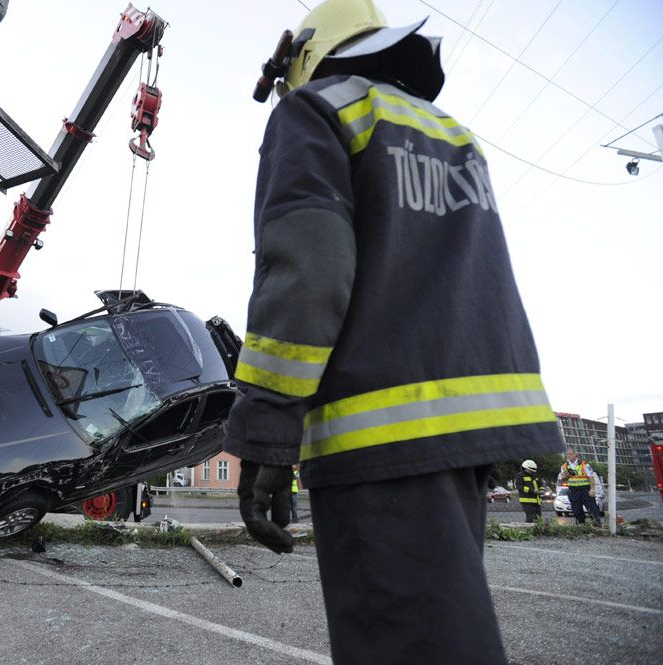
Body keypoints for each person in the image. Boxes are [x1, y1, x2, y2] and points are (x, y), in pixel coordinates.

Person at [224, 1, 563, 662]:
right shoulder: (451, 132)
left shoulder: (317, 110)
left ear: (306, 58)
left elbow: (308, 273)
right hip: (474, 431)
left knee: (407, 641)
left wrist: (265, 428)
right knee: (448, 628)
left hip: (381, 437)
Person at [557, 446, 602, 526]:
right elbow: (564, 480)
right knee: (576, 511)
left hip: (585, 490)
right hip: (573, 491)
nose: (568, 456)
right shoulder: (564, 466)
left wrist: (592, 489)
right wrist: (565, 476)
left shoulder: (584, 465)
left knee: (592, 509)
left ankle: (597, 525)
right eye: (567, 454)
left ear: (576, 454)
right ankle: (581, 526)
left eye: (570, 454)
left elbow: (591, 477)